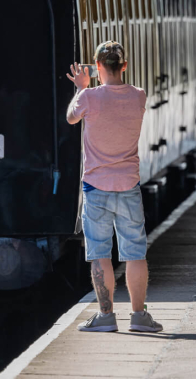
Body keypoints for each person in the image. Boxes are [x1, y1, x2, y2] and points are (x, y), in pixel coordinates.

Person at [65, 40, 163, 333]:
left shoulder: (90, 97)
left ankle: (106, 316)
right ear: (125, 66)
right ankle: (139, 316)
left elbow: (71, 118)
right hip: (129, 185)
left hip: (95, 187)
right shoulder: (138, 96)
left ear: (96, 68)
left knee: (100, 253)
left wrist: (82, 87)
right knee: (135, 252)